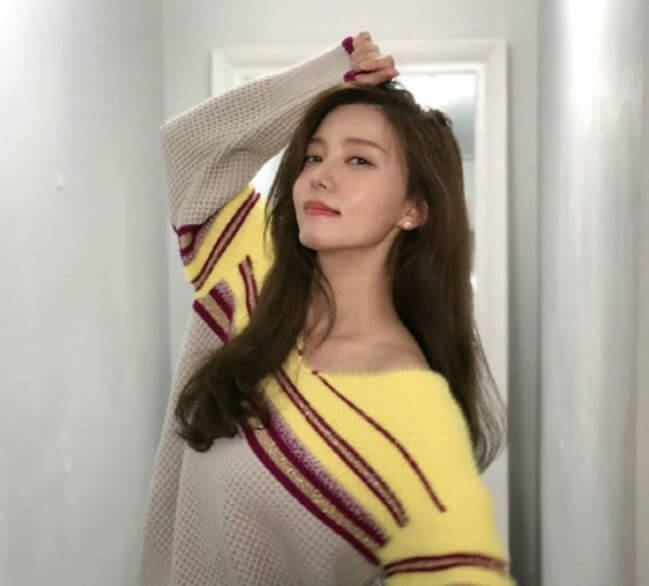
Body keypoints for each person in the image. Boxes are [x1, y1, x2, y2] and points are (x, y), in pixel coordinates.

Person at [138, 31, 516, 586]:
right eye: (313, 156)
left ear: (413, 209)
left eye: (359, 160)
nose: (319, 174)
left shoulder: (415, 408)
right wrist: (331, 75)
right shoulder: (251, 275)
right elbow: (189, 147)